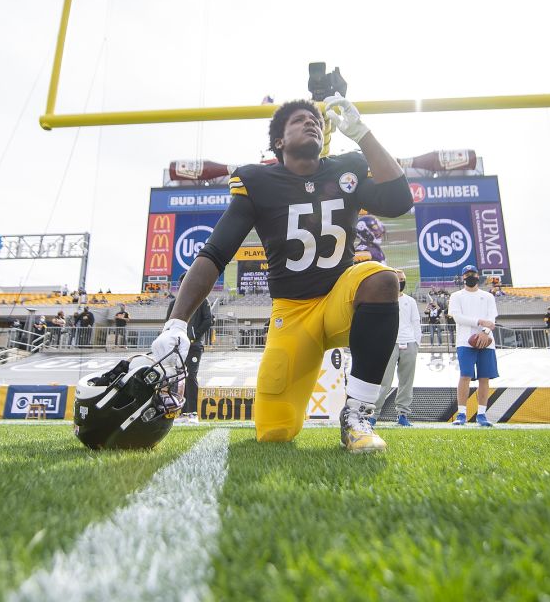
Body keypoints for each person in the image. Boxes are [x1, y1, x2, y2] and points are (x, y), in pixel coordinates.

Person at [151, 95, 413, 452]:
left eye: (317, 121)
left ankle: (357, 416)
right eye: (300, 120)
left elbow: (399, 201)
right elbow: (215, 252)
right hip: (291, 316)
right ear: (279, 141)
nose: (312, 123)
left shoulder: (346, 168)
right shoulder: (257, 181)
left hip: (340, 299)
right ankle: (301, 412)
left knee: (382, 279)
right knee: (274, 433)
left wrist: (362, 133)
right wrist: (177, 323)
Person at [448, 265, 499, 427]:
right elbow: (457, 317)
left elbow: (492, 317)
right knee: (465, 376)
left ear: (478, 276)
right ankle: (461, 413)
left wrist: (484, 331)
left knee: (484, 377)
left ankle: (482, 414)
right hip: (465, 341)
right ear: (463, 277)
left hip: (486, 341)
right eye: (467, 274)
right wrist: (479, 322)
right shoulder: (456, 296)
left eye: (473, 274)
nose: (470, 276)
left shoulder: (488, 296)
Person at [371, 269, 421, 427]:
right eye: (398, 279)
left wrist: (416, 343)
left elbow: (416, 322)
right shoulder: (382, 299)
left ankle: (403, 414)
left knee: (406, 381)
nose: (401, 282)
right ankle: (374, 414)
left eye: (403, 279)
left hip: (409, 343)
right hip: (389, 343)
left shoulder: (410, 301)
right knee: (384, 381)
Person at [168, 273, 215, 424]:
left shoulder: (202, 301)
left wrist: (194, 336)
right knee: (179, 378)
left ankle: (193, 412)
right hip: (178, 347)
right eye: (182, 283)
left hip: (194, 346)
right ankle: (181, 412)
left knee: (191, 376)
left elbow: (209, 320)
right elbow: (168, 325)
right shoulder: (173, 304)